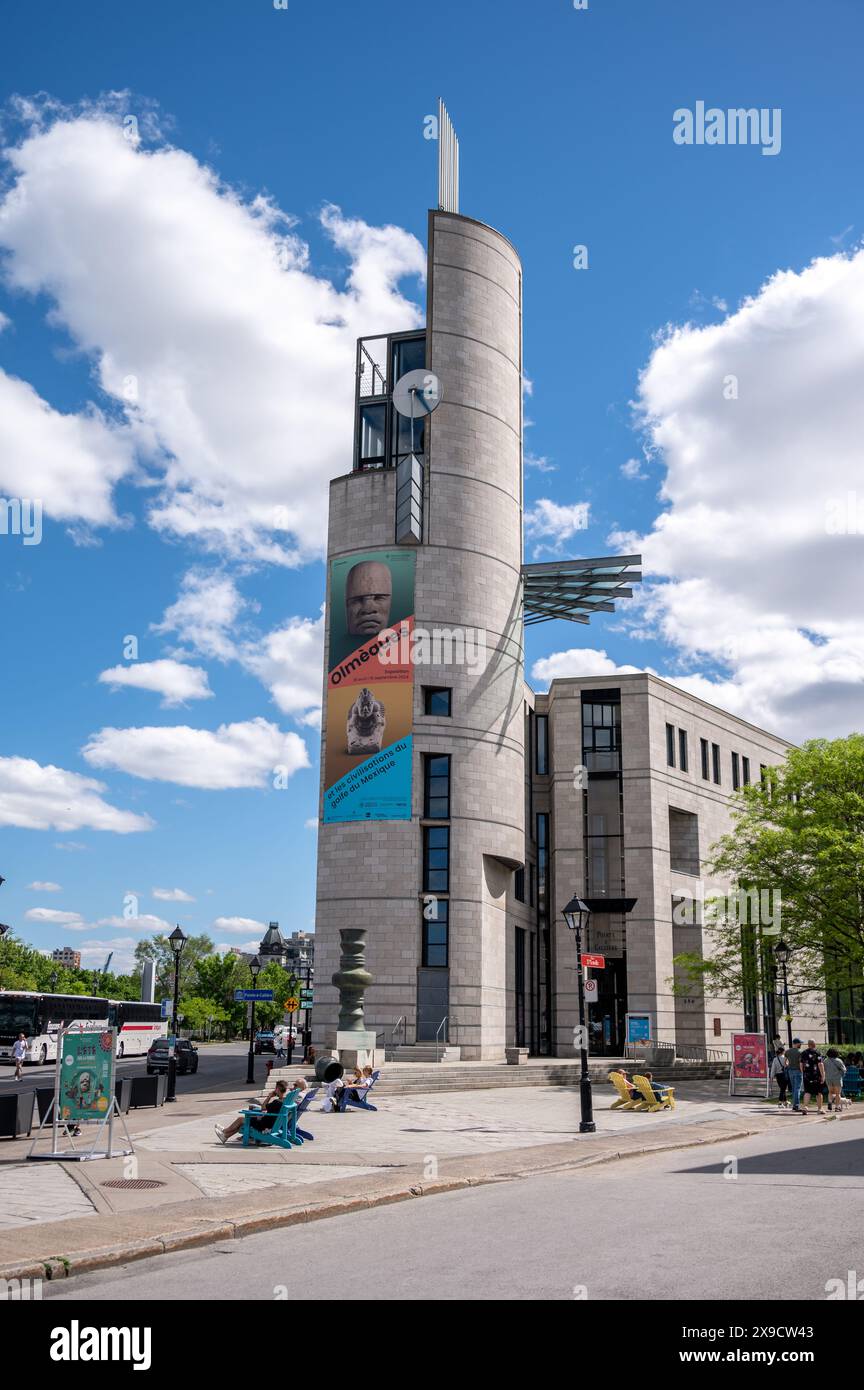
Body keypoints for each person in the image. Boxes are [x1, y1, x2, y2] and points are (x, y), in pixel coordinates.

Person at [215, 1079, 292, 1144]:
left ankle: (224, 1131)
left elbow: (263, 1108)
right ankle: (225, 1136)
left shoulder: (277, 1102)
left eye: (275, 1088)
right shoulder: (285, 1101)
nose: (275, 1090)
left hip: (264, 1126)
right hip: (271, 1123)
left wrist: (269, 1097)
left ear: (278, 1089)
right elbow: (269, 1111)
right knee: (243, 1124)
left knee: (240, 1119)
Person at [799, 1040, 826, 1115]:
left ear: (808, 1045)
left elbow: (801, 1064)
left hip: (807, 1076)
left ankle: (805, 1107)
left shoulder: (803, 1053)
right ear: (814, 1044)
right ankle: (820, 1109)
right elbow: (820, 1064)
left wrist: (803, 1073)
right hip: (816, 1075)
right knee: (819, 1092)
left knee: (807, 1091)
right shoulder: (817, 1053)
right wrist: (823, 1075)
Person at [823, 1049, 847, 1113]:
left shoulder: (825, 1061)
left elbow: (823, 1069)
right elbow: (844, 1070)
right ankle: (837, 1107)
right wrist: (841, 1074)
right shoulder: (838, 1060)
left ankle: (829, 1103)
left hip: (828, 1078)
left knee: (830, 1092)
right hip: (837, 1078)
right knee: (837, 1093)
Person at [786, 1038, 804, 1111]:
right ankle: (796, 1105)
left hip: (790, 1071)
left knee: (794, 1088)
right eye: (800, 1043)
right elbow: (801, 1063)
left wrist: (788, 1065)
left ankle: (794, 1104)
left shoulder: (787, 1051)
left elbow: (785, 1062)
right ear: (796, 1044)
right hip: (798, 1071)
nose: (801, 1044)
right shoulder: (800, 1052)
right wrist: (802, 1071)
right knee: (797, 1089)